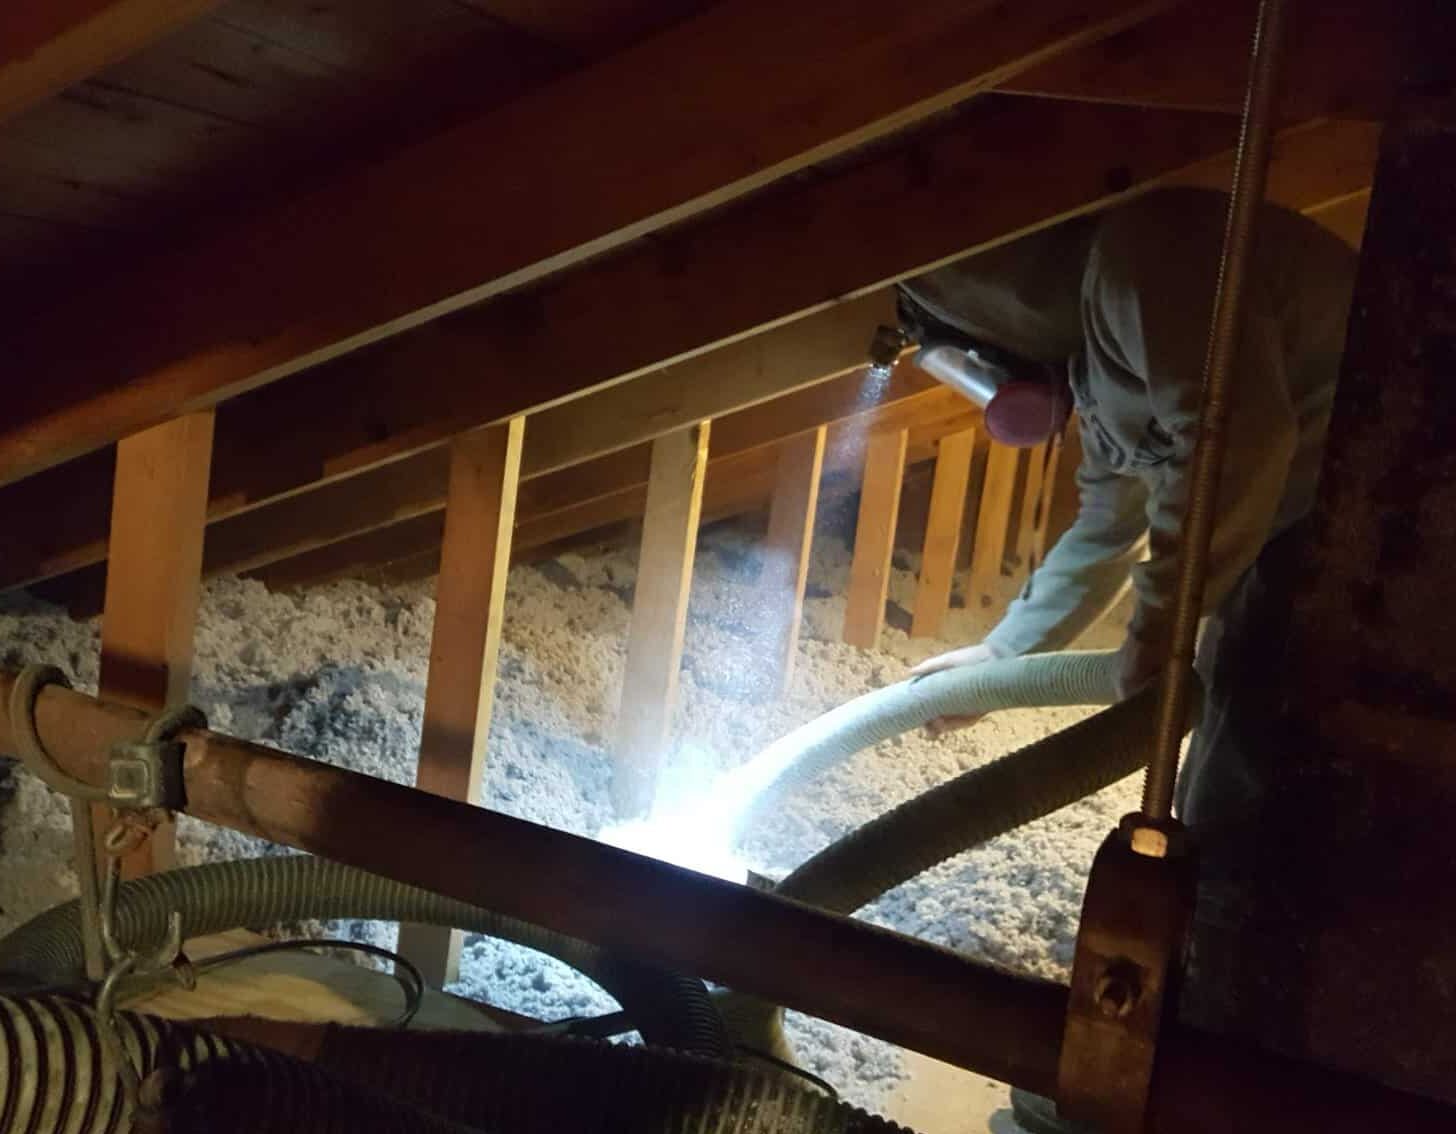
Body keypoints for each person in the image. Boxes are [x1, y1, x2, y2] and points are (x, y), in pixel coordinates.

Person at [897, 187, 1356, 834]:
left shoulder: (1146, 259)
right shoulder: (1096, 352)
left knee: (1264, 762)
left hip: (1363, 522)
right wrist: (1004, 655)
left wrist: (1162, 623)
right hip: (1290, 533)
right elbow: (1106, 522)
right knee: (1228, 754)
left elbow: (1240, 442)